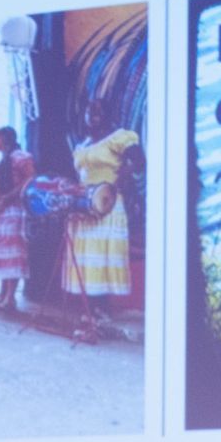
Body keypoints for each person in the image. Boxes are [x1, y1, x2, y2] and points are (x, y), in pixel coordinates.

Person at [64, 122, 143, 327]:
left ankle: (101, 311)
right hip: (85, 206)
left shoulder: (118, 137)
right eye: (90, 111)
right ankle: (89, 311)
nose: (94, 114)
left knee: (103, 257)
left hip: (108, 205)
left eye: (99, 110)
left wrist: (119, 180)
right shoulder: (82, 145)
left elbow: (139, 160)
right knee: (87, 260)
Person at [0, 126, 36, 311]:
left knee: (12, 254)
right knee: (4, 254)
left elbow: (30, 179)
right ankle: (2, 294)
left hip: (13, 211)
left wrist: (7, 198)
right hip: (0, 212)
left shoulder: (20, 157)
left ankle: (10, 298)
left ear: (5, 139)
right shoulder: (2, 161)